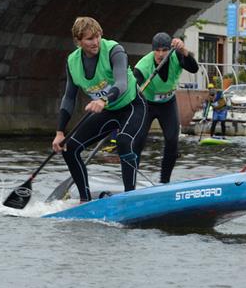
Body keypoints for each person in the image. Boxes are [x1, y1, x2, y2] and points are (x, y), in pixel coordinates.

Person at [52, 17, 147, 202]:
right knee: (69, 148)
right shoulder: (72, 62)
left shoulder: (114, 50)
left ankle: (130, 197)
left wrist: (104, 99)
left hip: (132, 106)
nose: (95, 42)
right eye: (89, 39)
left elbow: (121, 83)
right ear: (78, 41)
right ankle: (84, 200)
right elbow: (69, 97)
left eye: (97, 37)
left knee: (123, 141)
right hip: (108, 110)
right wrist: (59, 132)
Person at [133, 32, 199, 183]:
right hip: (146, 105)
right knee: (138, 140)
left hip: (168, 104)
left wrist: (184, 51)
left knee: (172, 141)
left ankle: (164, 182)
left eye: (164, 50)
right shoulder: (143, 66)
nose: (161, 54)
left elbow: (194, 68)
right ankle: (131, 181)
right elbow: (131, 89)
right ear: (153, 50)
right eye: (157, 50)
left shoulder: (177, 56)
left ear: (170, 50)